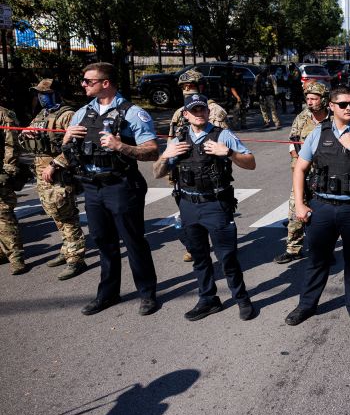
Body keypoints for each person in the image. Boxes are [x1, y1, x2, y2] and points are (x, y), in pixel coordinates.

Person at [60, 62, 160, 316]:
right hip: (92, 187)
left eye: (87, 81)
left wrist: (121, 146)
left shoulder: (133, 113)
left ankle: (147, 294)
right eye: (83, 80)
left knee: (133, 241)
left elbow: (151, 151)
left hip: (122, 185)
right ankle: (107, 294)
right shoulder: (82, 113)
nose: (83, 84)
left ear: (105, 83)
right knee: (104, 242)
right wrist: (66, 139)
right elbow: (70, 150)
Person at [285, 86, 350, 330]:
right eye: (343, 104)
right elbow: (300, 168)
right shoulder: (319, 132)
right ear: (331, 106)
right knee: (317, 260)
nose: (349, 107)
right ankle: (307, 305)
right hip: (323, 206)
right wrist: (300, 204)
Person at [153, 94, 258, 321]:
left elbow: (251, 163)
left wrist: (228, 152)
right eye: (194, 110)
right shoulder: (178, 139)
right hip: (188, 205)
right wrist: (166, 156)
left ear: (208, 112)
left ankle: (242, 298)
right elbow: (156, 173)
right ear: (186, 114)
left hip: (216, 205)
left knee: (227, 258)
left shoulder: (223, 135)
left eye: (202, 109)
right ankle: (208, 299)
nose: (199, 113)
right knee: (200, 258)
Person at [18, 79, 87, 279]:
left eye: (45, 93)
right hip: (41, 171)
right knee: (54, 213)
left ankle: (76, 259)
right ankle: (67, 249)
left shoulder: (68, 116)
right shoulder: (42, 114)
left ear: (56, 94)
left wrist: (56, 164)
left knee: (66, 215)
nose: (40, 97)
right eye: (38, 93)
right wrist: (26, 135)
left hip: (58, 172)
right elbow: (29, 138)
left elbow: (75, 146)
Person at [168, 68, 229, 263]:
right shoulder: (180, 112)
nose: (187, 90)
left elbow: (224, 142)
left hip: (210, 173)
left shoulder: (215, 111)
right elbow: (172, 140)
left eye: (191, 86)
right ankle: (195, 246)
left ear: (201, 87)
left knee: (215, 216)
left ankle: (221, 245)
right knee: (187, 212)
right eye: (184, 87)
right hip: (184, 172)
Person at [274, 81, 330, 264]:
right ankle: (293, 249)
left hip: (328, 176)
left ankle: (324, 252)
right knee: (294, 212)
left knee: (326, 216)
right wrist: (298, 164)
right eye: (308, 98)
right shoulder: (302, 117)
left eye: (314, 98)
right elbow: (292, 142)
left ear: (324, 99)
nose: (310, 102)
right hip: (303, 175)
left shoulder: (334, 118)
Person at [0, 102, 26, 275]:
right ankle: (2, 252)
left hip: (0, 172)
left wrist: (8, 170)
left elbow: (12, 145)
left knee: (4, 215)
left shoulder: (3, 114)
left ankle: (16, 257)